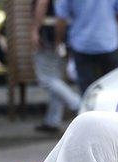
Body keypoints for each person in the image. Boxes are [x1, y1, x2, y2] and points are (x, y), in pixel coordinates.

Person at [54, 0, 118, 93]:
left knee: (87, 92)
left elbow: (61, 18)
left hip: (82, 45)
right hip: (109, 43)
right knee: (113, 89)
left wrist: (59, 42)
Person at [30, 0, 81, 133]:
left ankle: (77, 104)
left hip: (48, 30)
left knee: (46, 78)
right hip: (64, 30)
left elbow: (42, 2)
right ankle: (52, 120)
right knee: (55, 77)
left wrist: (35, 29)